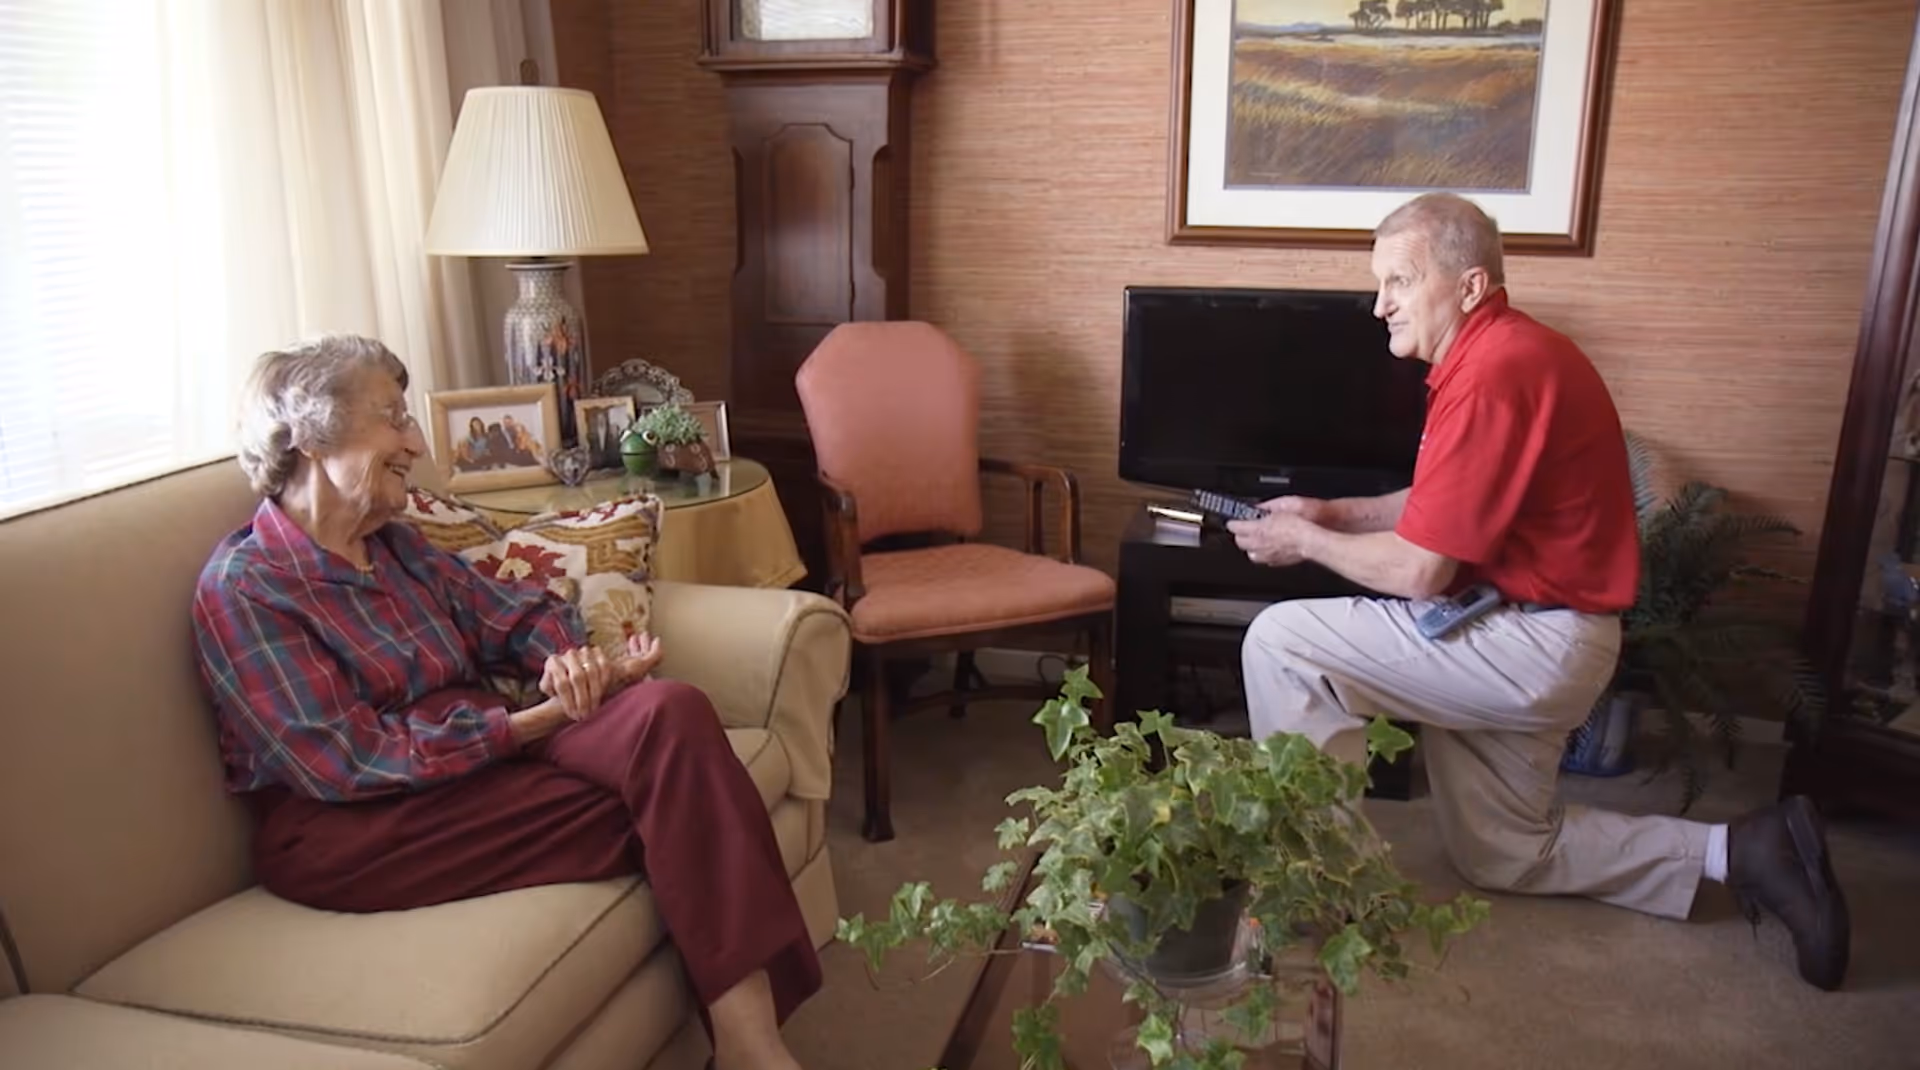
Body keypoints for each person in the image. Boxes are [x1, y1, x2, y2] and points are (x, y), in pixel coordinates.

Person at [1228, 193, 1851, 991]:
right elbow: (1435, 509)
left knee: (1281, 641)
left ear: (1469, 285)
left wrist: (1305, 543)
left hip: (1530, 643)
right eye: (1378, 283)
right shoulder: (1501, 356)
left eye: (1399, 281)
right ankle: (1747, 850)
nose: (1378, 304)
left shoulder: (1493, 374)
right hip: (1533, 635)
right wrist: (1329, 511)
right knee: (1506, 852)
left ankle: (1321, 887)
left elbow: (1424, 569)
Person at [191, 334, 820, 1069]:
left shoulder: (396, 547)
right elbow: (345, 760)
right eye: (394, 417)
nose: (417, 442)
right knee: (689, 799)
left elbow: (512, 609)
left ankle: (749, 1048)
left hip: (480, 756)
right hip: (353, 824)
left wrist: (567, 660)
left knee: (671, 714)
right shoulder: (247, 585)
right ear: (308, 433)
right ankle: (756, 1049)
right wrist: (527, 724)